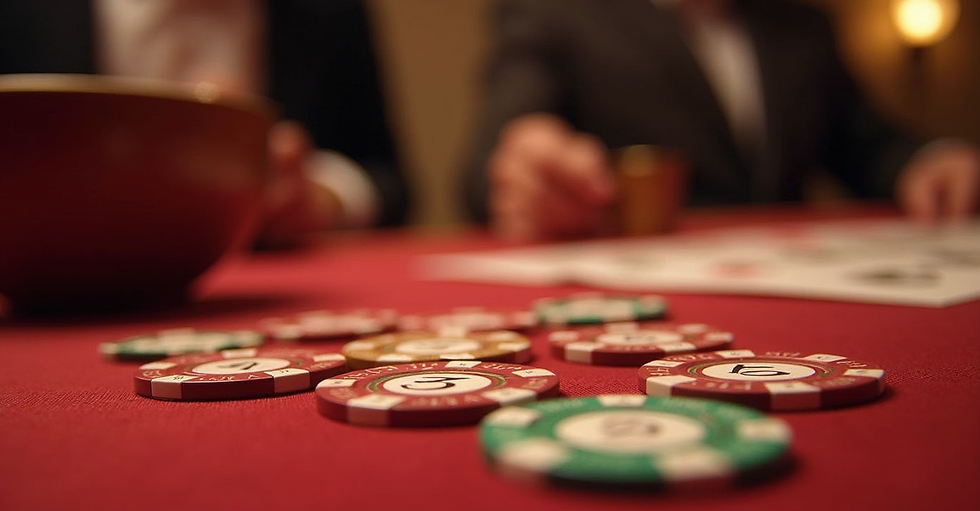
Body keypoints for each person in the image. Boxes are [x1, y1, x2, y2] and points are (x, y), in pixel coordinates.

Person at [462, 0, 980, 242]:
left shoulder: (804, 26)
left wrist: (930, 159)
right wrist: (525, 167)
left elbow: (866, 144)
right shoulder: (554, 14)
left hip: (800, 303)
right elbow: (489, 163)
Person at [0, 0, 412, 248]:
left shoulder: (330, 11)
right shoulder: (21, 14)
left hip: (273, 284)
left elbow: (387, 178)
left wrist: (322, 195)